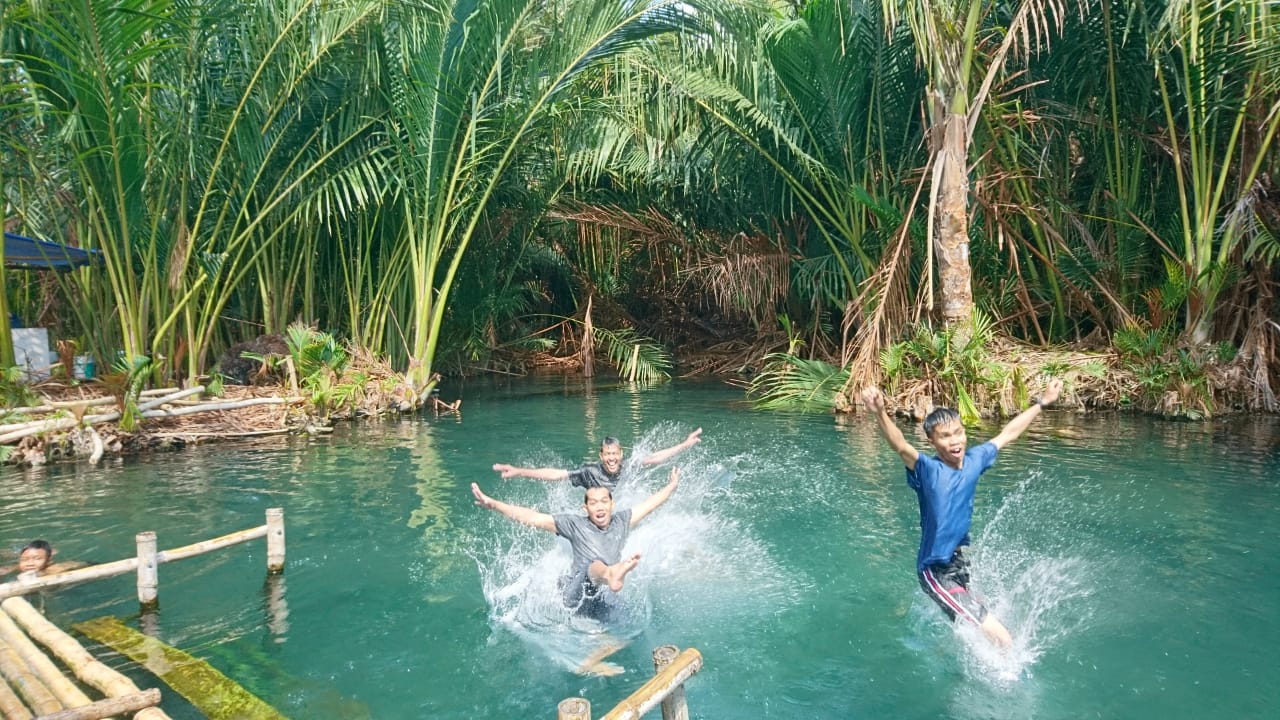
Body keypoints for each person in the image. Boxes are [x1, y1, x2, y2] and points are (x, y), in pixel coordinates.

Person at [861, 379, 1064, 648]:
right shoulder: (927, 470)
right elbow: (900, 446)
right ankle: (1007, 681)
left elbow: (1008, 434)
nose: (955, 441)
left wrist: (1042, 402)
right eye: (945, 436)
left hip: (958, 565)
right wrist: (880, 413)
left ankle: (947, 655)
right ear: (932, 441)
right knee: (1002, 638)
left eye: (958, 432)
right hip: (935, 570)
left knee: (972, 628)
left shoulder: (974, 461)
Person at [470, 466, 681, 620]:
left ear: (612, 504)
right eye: (593, 503)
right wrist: (494, 504)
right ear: (585, 508)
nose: (599, 507)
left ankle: (597, 653)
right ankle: (611, 573)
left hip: (599, 597)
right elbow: (534, 518)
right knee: (594, 566)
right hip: (574, 595)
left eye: (604, 502)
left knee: (620, 624)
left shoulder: (622, 521)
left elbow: (650, 505)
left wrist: (671, 486)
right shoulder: (574, 524)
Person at [492, 428, 702, 490]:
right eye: (607, 455)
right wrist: (520, 471)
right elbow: (557, 475)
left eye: (615, 454)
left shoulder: (629, 466)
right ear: (601, 456)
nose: (611, 459)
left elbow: (654, 459)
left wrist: (684, 445)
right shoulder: (590, 471)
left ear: (620, 454)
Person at [1, 540, 85, 578]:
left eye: (37, 559)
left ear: (49, 561)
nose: (30, 563)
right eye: (24, 559)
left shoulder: (56, 568)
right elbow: (6, 569)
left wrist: (42, 574)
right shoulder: (22, 566)